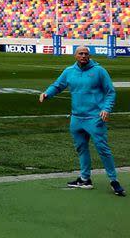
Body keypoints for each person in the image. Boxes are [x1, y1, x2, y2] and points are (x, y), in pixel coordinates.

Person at [39, 46, 125, 196]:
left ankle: (114, 180)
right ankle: (85, 179)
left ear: (89, 56)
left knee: (103, 149)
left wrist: (106, 109)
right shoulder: (69, 71)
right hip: (76, 118)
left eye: (86, 54)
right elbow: (58, 85)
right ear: (75, 55)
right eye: (81, 53)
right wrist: (47, 94)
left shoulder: (99, 71)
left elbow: (110, 92)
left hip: (95, 118)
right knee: (81, 148)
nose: (84, 56)